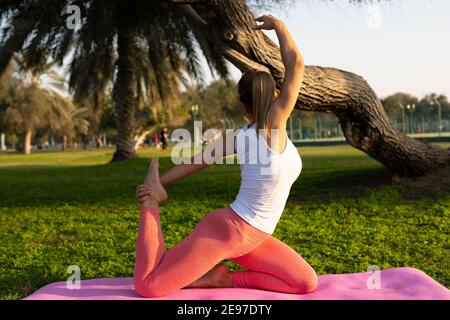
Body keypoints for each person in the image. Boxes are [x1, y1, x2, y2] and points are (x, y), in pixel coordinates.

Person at [133, 14, 317, 298]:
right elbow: (297, 66)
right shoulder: (257, 131)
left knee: (304, 282)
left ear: (243, 104)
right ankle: (150, 205)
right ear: (275, 95)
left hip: (255, 238)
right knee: (148, 286)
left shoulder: (265, 129)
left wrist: (165, 180)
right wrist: (157, 188)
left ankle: (223, 279)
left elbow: (197, 161)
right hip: (228, 232)